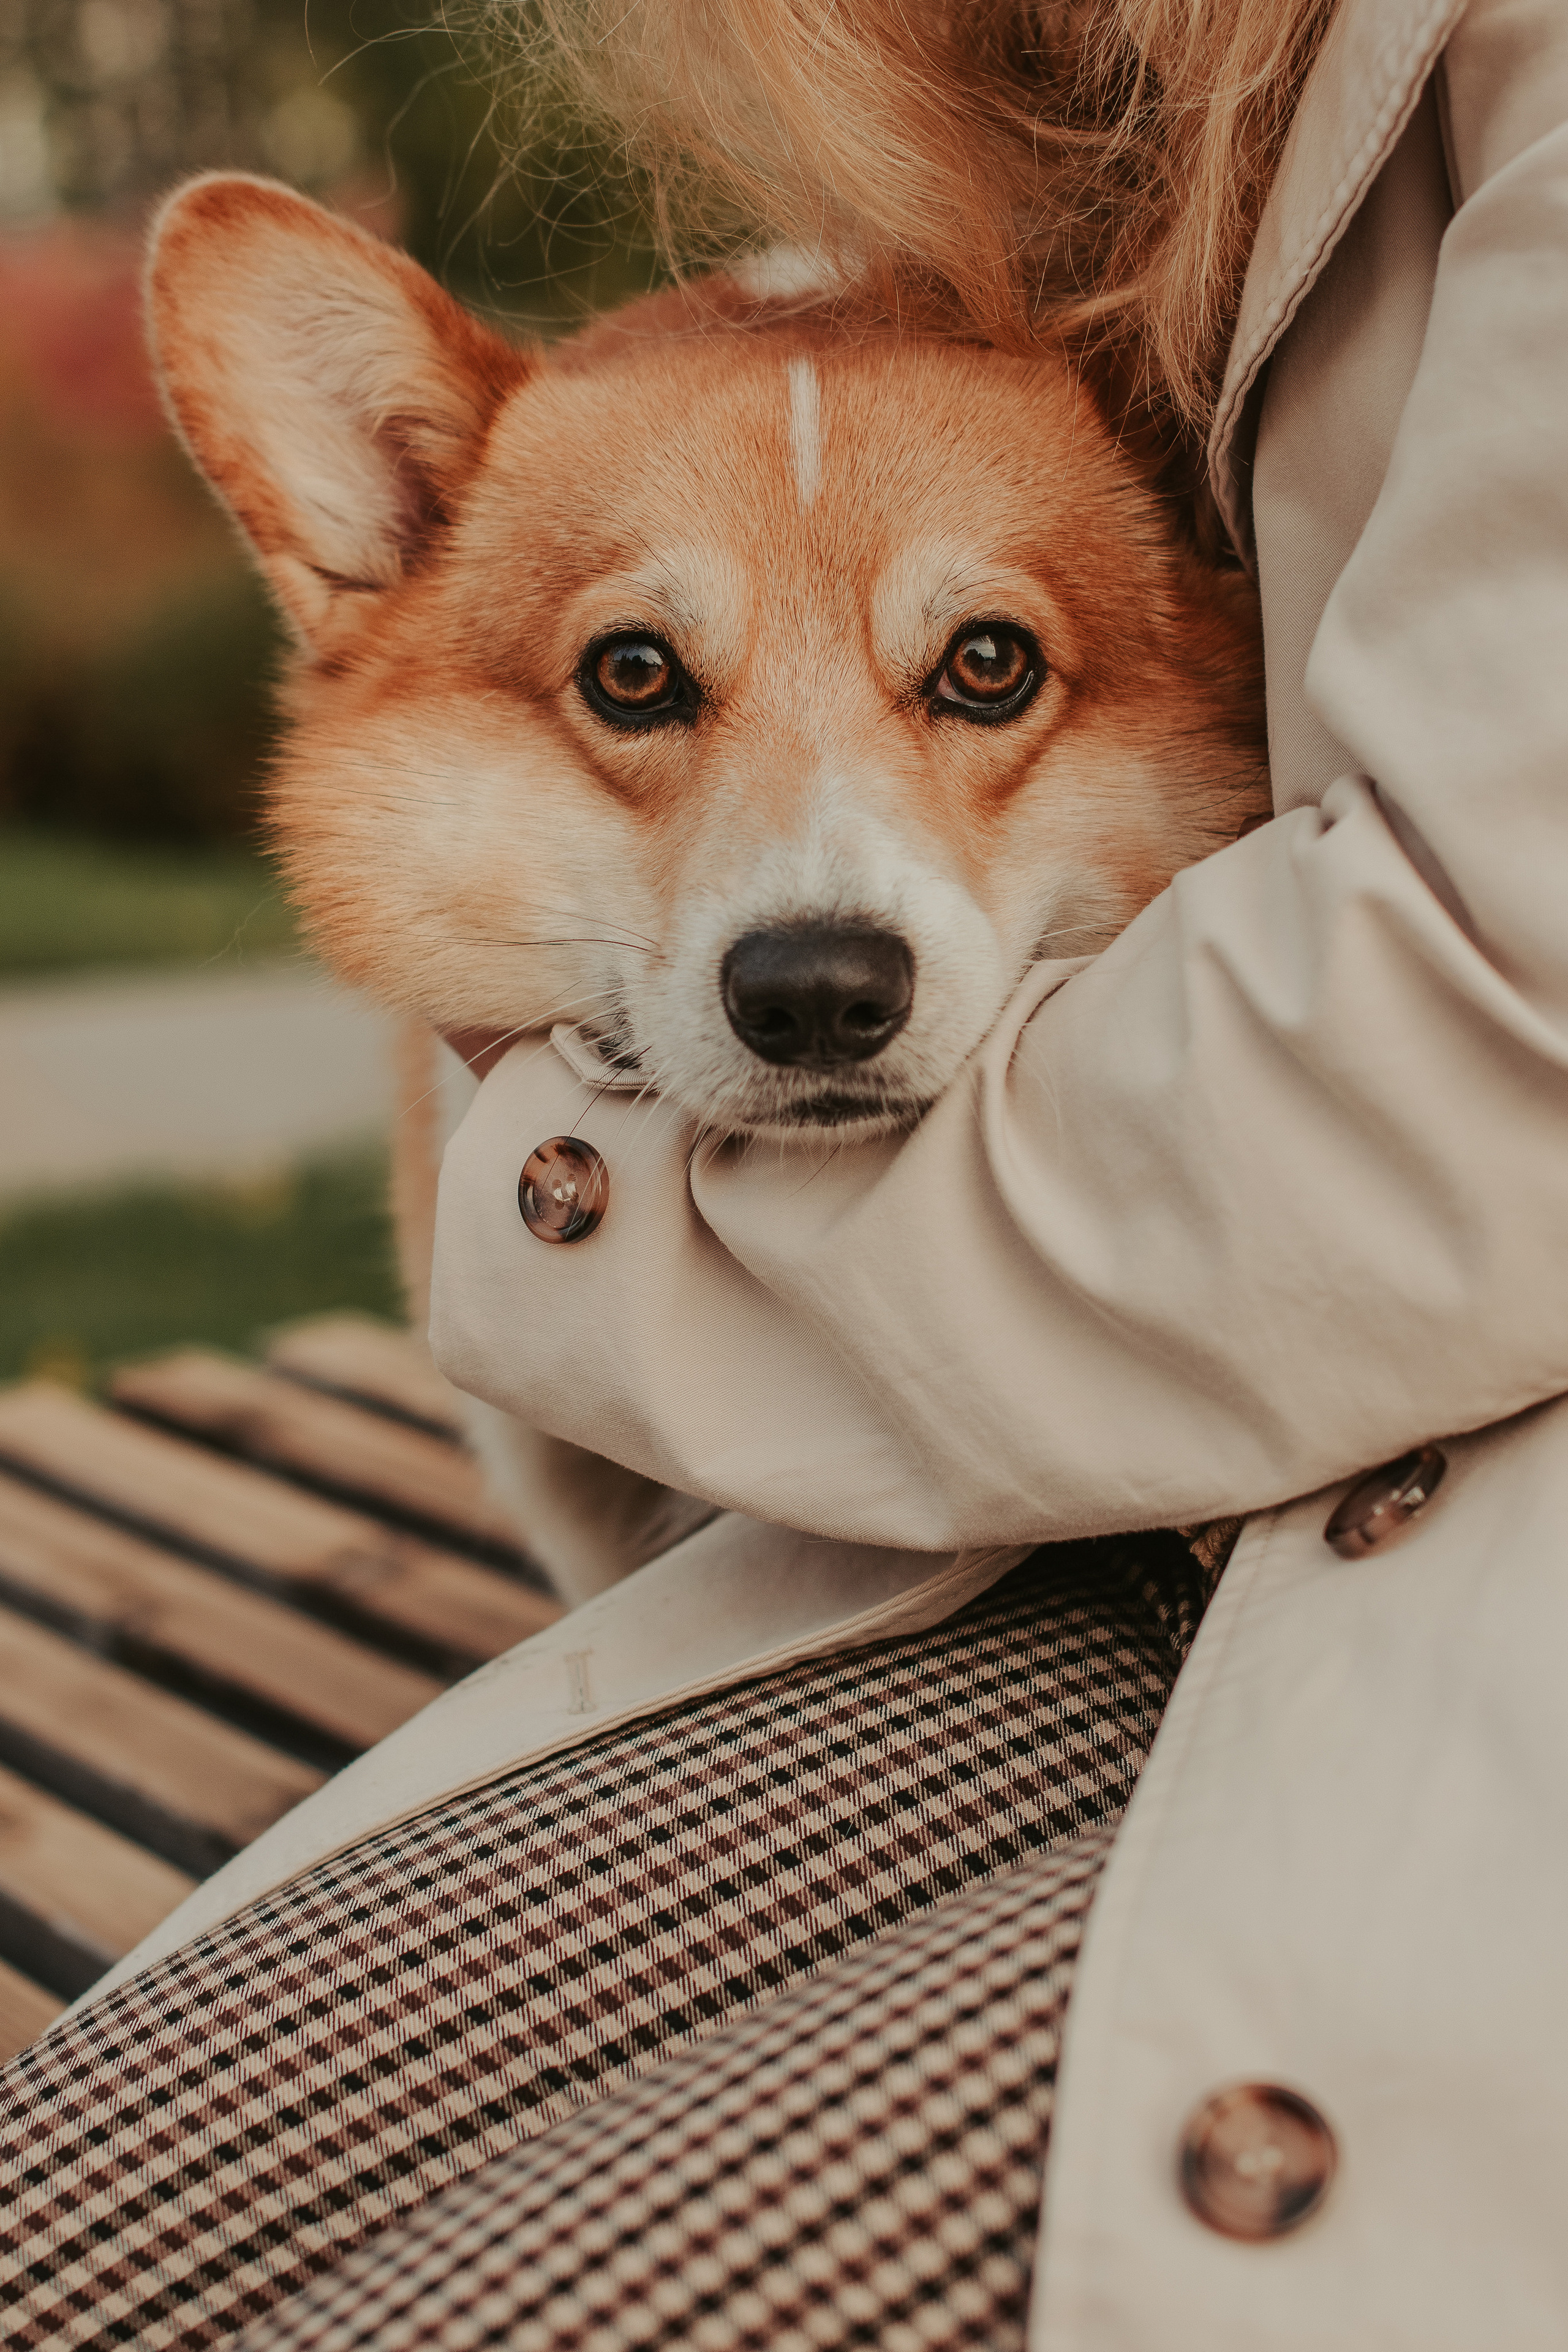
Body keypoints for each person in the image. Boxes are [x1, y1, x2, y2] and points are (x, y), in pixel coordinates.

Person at [4, 1, 1567, 2344]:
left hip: (1412, 1528)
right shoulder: (1134, 142)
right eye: (647, 682)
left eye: (982, 673)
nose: (823, 917)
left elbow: (1484, 1025)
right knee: (82, 2217)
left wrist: (568, 1176)